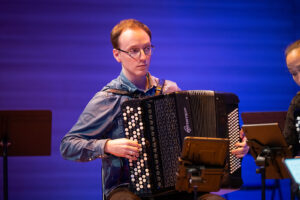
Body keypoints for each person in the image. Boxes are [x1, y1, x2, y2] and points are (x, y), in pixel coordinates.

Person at [60, 19, 249, 200]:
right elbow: (68, 145)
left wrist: (235, 145)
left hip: (178, 186)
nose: (143, 57)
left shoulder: (169, 89)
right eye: (134, 51)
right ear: (117, 54)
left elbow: (195, 139)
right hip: (127, 188)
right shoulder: (109, 98)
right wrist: (108, 146)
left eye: (147, 48)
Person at [283, 39, 300, 157]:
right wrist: (251, 144)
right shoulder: (297, 102)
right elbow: (287, 147)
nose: (299, 78)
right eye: (294, 73)